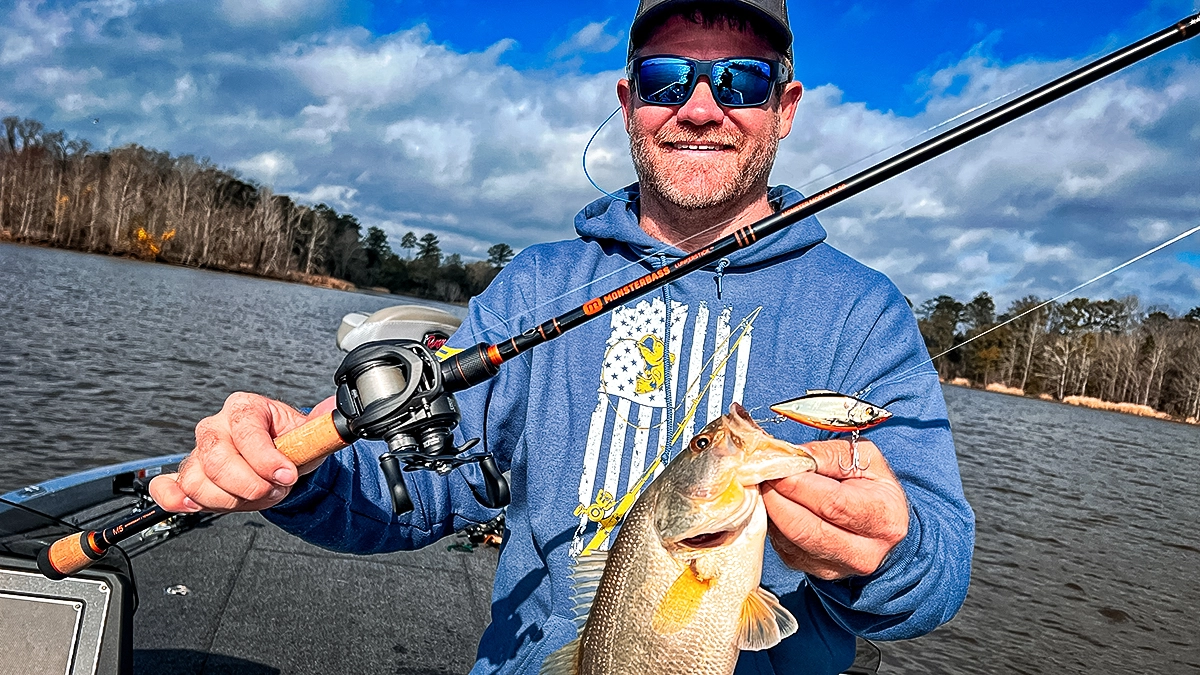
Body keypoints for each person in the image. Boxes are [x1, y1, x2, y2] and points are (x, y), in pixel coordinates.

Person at [150, 1, 975, 673]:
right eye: (664, 78)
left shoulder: (865, 313)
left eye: (740, 80)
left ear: (783, 109)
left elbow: (939, 576)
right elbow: (420, 491)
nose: (698, 106)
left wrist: (887, 551)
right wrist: (291, 472)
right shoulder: (537, 286)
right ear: (629, 104)